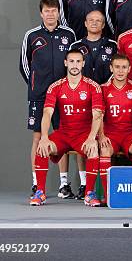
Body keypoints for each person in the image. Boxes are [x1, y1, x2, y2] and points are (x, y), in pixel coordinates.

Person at [29, 49, 103, 207]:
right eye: (71, 61)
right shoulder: (56, 87)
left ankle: (89, 193)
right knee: (42, 147)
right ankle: (40, 192)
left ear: (83, 64)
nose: (75, 65)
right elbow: (47, 113)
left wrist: (91, 138)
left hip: (83, 134)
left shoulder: (93, 86)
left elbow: (97, 115)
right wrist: (44, 136)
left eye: (78, 61)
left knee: (94, 149)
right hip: (63, 134)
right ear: (66, 63)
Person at [21, 0, 76, 197]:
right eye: (47, 11)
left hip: (64, 96)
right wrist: (36, 85)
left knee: (63, 135)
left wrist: (67, 87)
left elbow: (73, 62)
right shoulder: (31, 35)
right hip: (39, 95)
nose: (51, 14)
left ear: (59, 12)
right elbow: (24, 65)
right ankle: (36, 182)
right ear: (41, 13)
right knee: (38, 136)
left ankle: (64, 184)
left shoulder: (68, 35)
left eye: (54, 10)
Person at [98, 54, 132, 202]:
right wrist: (101, 135)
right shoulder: (103, 88)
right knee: (105, 150)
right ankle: (108, 196)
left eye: (124, 67)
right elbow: (99, 115)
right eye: (117, 67)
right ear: (111, 68)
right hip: (110, 134)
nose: (120, 71)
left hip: (129, 134)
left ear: (129, 69)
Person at [70, 10, 117, 85]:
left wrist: (106, 85)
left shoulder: (113, 45)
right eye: (91, 20)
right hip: (82, 90)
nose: (94, 23)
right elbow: (70, 70)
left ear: (103, 25)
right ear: (85, 23)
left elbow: (117, 69)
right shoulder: (75, 46)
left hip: (106, 90)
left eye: (98, 20)